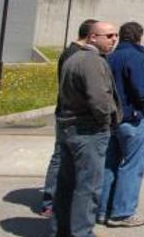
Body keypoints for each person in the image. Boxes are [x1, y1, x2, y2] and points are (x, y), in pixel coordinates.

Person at [51, 21, 122, 237]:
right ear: (92, 37)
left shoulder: (73, 58)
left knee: (67, 184)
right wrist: (106, 123)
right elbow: (99, 99)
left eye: (115, 35)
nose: (113, 40)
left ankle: (60, 230)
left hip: (69, 127)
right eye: (108, 35)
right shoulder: (92, 62)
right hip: (88, 131)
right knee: (88, 187)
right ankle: (82, 232)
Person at [39, 18, 97, 218]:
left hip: (66, 112)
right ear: (90, 36)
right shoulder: (75, 54)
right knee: (61, 157)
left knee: (62, 156)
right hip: (70, 114)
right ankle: (51, 201)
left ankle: (54, 200)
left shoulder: (71, 52)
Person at [97, 22, 144, 227]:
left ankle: (103, 210)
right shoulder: (135, 57)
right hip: (133, 118)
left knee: (110, 164)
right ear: (139, 36)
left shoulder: (109, 57)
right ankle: (122, 212)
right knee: (132, 165)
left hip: (113, 119)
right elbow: (141, 89)